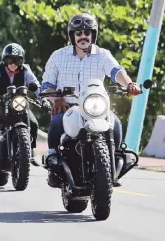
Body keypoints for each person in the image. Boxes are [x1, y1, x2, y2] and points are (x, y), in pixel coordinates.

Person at [41, 13, 141, 188]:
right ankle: (53, 165)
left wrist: (129, 84)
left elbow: (116, 71)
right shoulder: (58, 56)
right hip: (68, 106)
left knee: (116, 124)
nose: (83, 36)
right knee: (56, 122)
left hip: (96, 106)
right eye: (78, 33)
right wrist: (56, 99)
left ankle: (113, 162)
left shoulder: (103, 55)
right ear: (72, 36)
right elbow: (47, 84)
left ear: (93, 35)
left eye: (87, 33)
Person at [0, 43, 49, 166]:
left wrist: (42, 99)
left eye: (17, 60)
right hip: (0, 101)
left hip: (19, 103)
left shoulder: (26, 69)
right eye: (10, 60)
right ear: (5, 60)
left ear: (21, 61)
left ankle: (31, 151)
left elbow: (35, 84)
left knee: (33, 123)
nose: (13, 64)